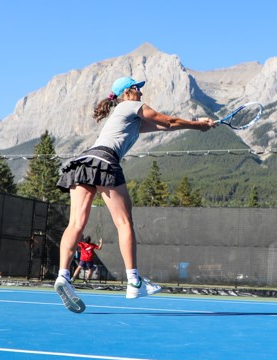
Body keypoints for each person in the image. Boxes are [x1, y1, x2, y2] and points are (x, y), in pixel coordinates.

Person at [53, 76, 216, 313]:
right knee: (124, 223)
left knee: (76, 223)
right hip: (105, 161)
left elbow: (165, 125)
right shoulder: (131, 105)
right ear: (129, 92)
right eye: (139, 89)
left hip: (83, 162)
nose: (142, 93)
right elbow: (169, 121)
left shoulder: (127, 116)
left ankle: (63, 276)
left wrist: (197, 124)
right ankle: (133, 281)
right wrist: (199, 125)